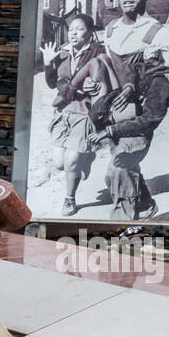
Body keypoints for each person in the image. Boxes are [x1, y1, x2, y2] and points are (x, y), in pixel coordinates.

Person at [90, 55, 169, 220]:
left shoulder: (164, 91)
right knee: (115, 175)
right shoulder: (167, 72)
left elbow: (147, 122)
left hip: (136, 138)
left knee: (120, 173)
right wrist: (130, 85)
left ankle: (122, 222)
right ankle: (146, 205)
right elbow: (135, 67)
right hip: (126, 129)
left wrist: (111, 130)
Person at [42, 14, 104, 217]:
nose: (74, 33)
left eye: (79, 29)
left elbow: (104, 81)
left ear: (90, 31)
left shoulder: (98, 52)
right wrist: (48, 64)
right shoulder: (63, 53)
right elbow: (52, 84)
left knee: (70, 162)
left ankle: (70, 199)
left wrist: (94, 85)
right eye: (72, 29)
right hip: (63, 111)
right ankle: (86, 158)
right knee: (59, 163)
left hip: (84, 112)